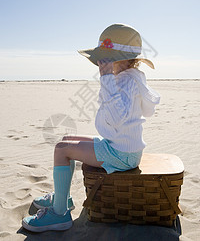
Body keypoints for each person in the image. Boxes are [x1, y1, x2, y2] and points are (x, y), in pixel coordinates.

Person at [22, 23, 160, 232]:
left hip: (121, 155)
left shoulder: (123, 82)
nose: (100, 63)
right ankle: (63, 198)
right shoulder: (130, 77)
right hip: (121, 147)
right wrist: (108, 79)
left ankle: (59, 214)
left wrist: (105, 79)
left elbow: (116, 119)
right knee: (66, 140)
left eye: (105, 58)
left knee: (61, 151)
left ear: (118, 58)